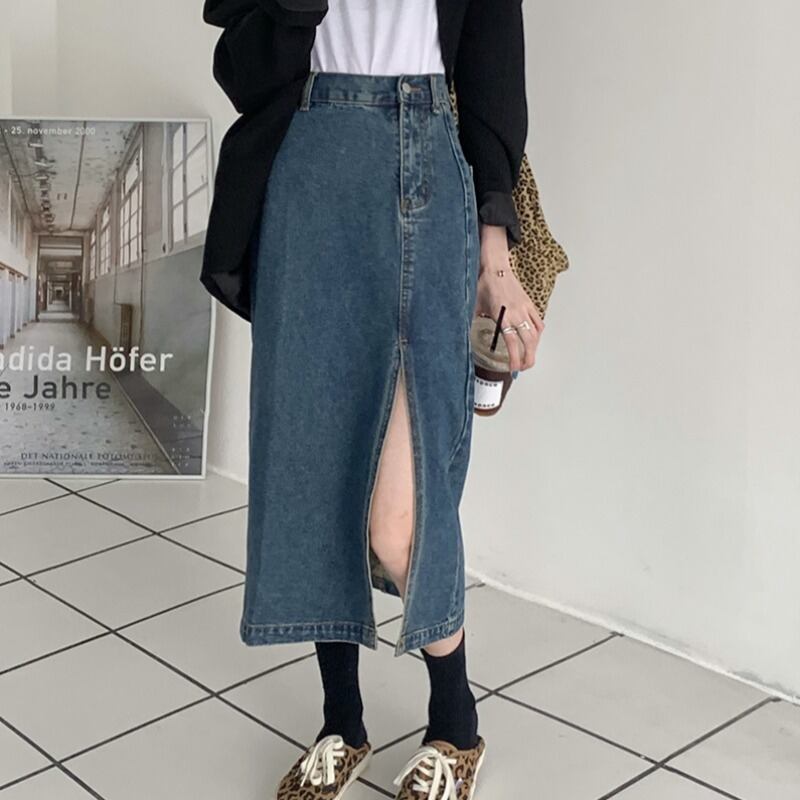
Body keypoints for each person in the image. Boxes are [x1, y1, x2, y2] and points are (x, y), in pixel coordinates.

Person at [203, 1, 541, 797]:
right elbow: (244, 71)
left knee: (398, 520)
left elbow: (493, 80)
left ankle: (456, 721)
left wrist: (495, 260)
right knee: (317, 470)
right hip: (307, 170)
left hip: (428, 162)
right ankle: (341, 721)